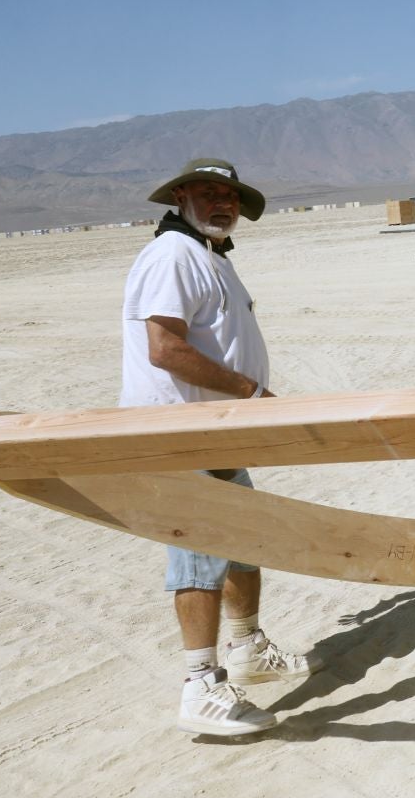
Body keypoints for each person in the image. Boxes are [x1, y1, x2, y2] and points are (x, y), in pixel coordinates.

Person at [122, 158, 321, 737]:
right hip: (182, 432)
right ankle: (200, 686)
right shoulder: (172, 256)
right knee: (199, 552)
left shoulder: (210, 256)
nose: (221, 201)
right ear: (180, 196)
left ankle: (248, 649)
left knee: (243, 540)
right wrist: (251, 391)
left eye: (229, 194)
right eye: (207, 192)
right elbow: (164, 348)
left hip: (218, 428)